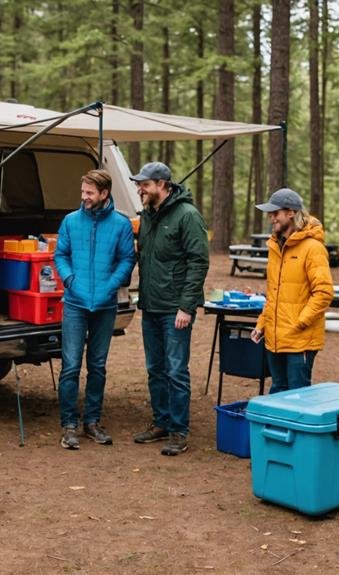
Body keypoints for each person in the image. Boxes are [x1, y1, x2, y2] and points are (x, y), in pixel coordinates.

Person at [131, 161, 209, 456]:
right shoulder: (148, 215)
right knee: (155, 368)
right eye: (140, 184)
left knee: (176, 369)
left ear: (162, 184)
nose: (140, 189)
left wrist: (186, 307)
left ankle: (179, 430)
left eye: (145, 184)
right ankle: (161, 421)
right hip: (151, 305)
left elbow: (198, 262)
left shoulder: (187, 216)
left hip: (176, 309)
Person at [53, 169, 136, 450]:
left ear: (104, 194)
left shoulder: (121, 225)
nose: (84, 197)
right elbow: (60, 255)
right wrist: (70, 280)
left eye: (89, 193)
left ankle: (92, 422)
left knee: (97, 366)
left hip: (105, 305)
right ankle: (69, 425)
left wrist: (110, 286)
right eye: (83, 192)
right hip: (75, 303)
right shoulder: (70, 221)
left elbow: (127, 259)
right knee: (71, 366)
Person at [250, 188, 334, 393]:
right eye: (270, 214)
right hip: (275, 338)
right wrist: (262, 324)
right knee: (278, 391)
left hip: (300, 340)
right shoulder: (275, 247)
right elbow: (274, 293)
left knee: (298, 396)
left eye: (275, 213)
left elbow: (324, 293)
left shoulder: (313, 248)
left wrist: (300, 321)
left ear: (290, 213)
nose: (272, 218)